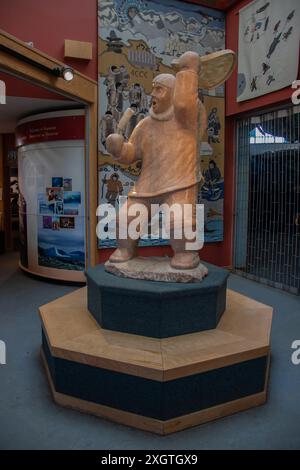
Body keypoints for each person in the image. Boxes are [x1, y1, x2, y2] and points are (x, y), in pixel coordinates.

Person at [106, 51, 207, 269]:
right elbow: (131, 153)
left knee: (179, 223)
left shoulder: (187, 118)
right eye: (153, 89)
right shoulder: (145, 124)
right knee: (125, 221)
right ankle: (126, 249)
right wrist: (118, 148)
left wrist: (189, 69)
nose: (153, 94)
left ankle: (186, 255)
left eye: (159, 89)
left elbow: (184, 103)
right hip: (147, 185)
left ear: (173, 93)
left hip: (180, 182)